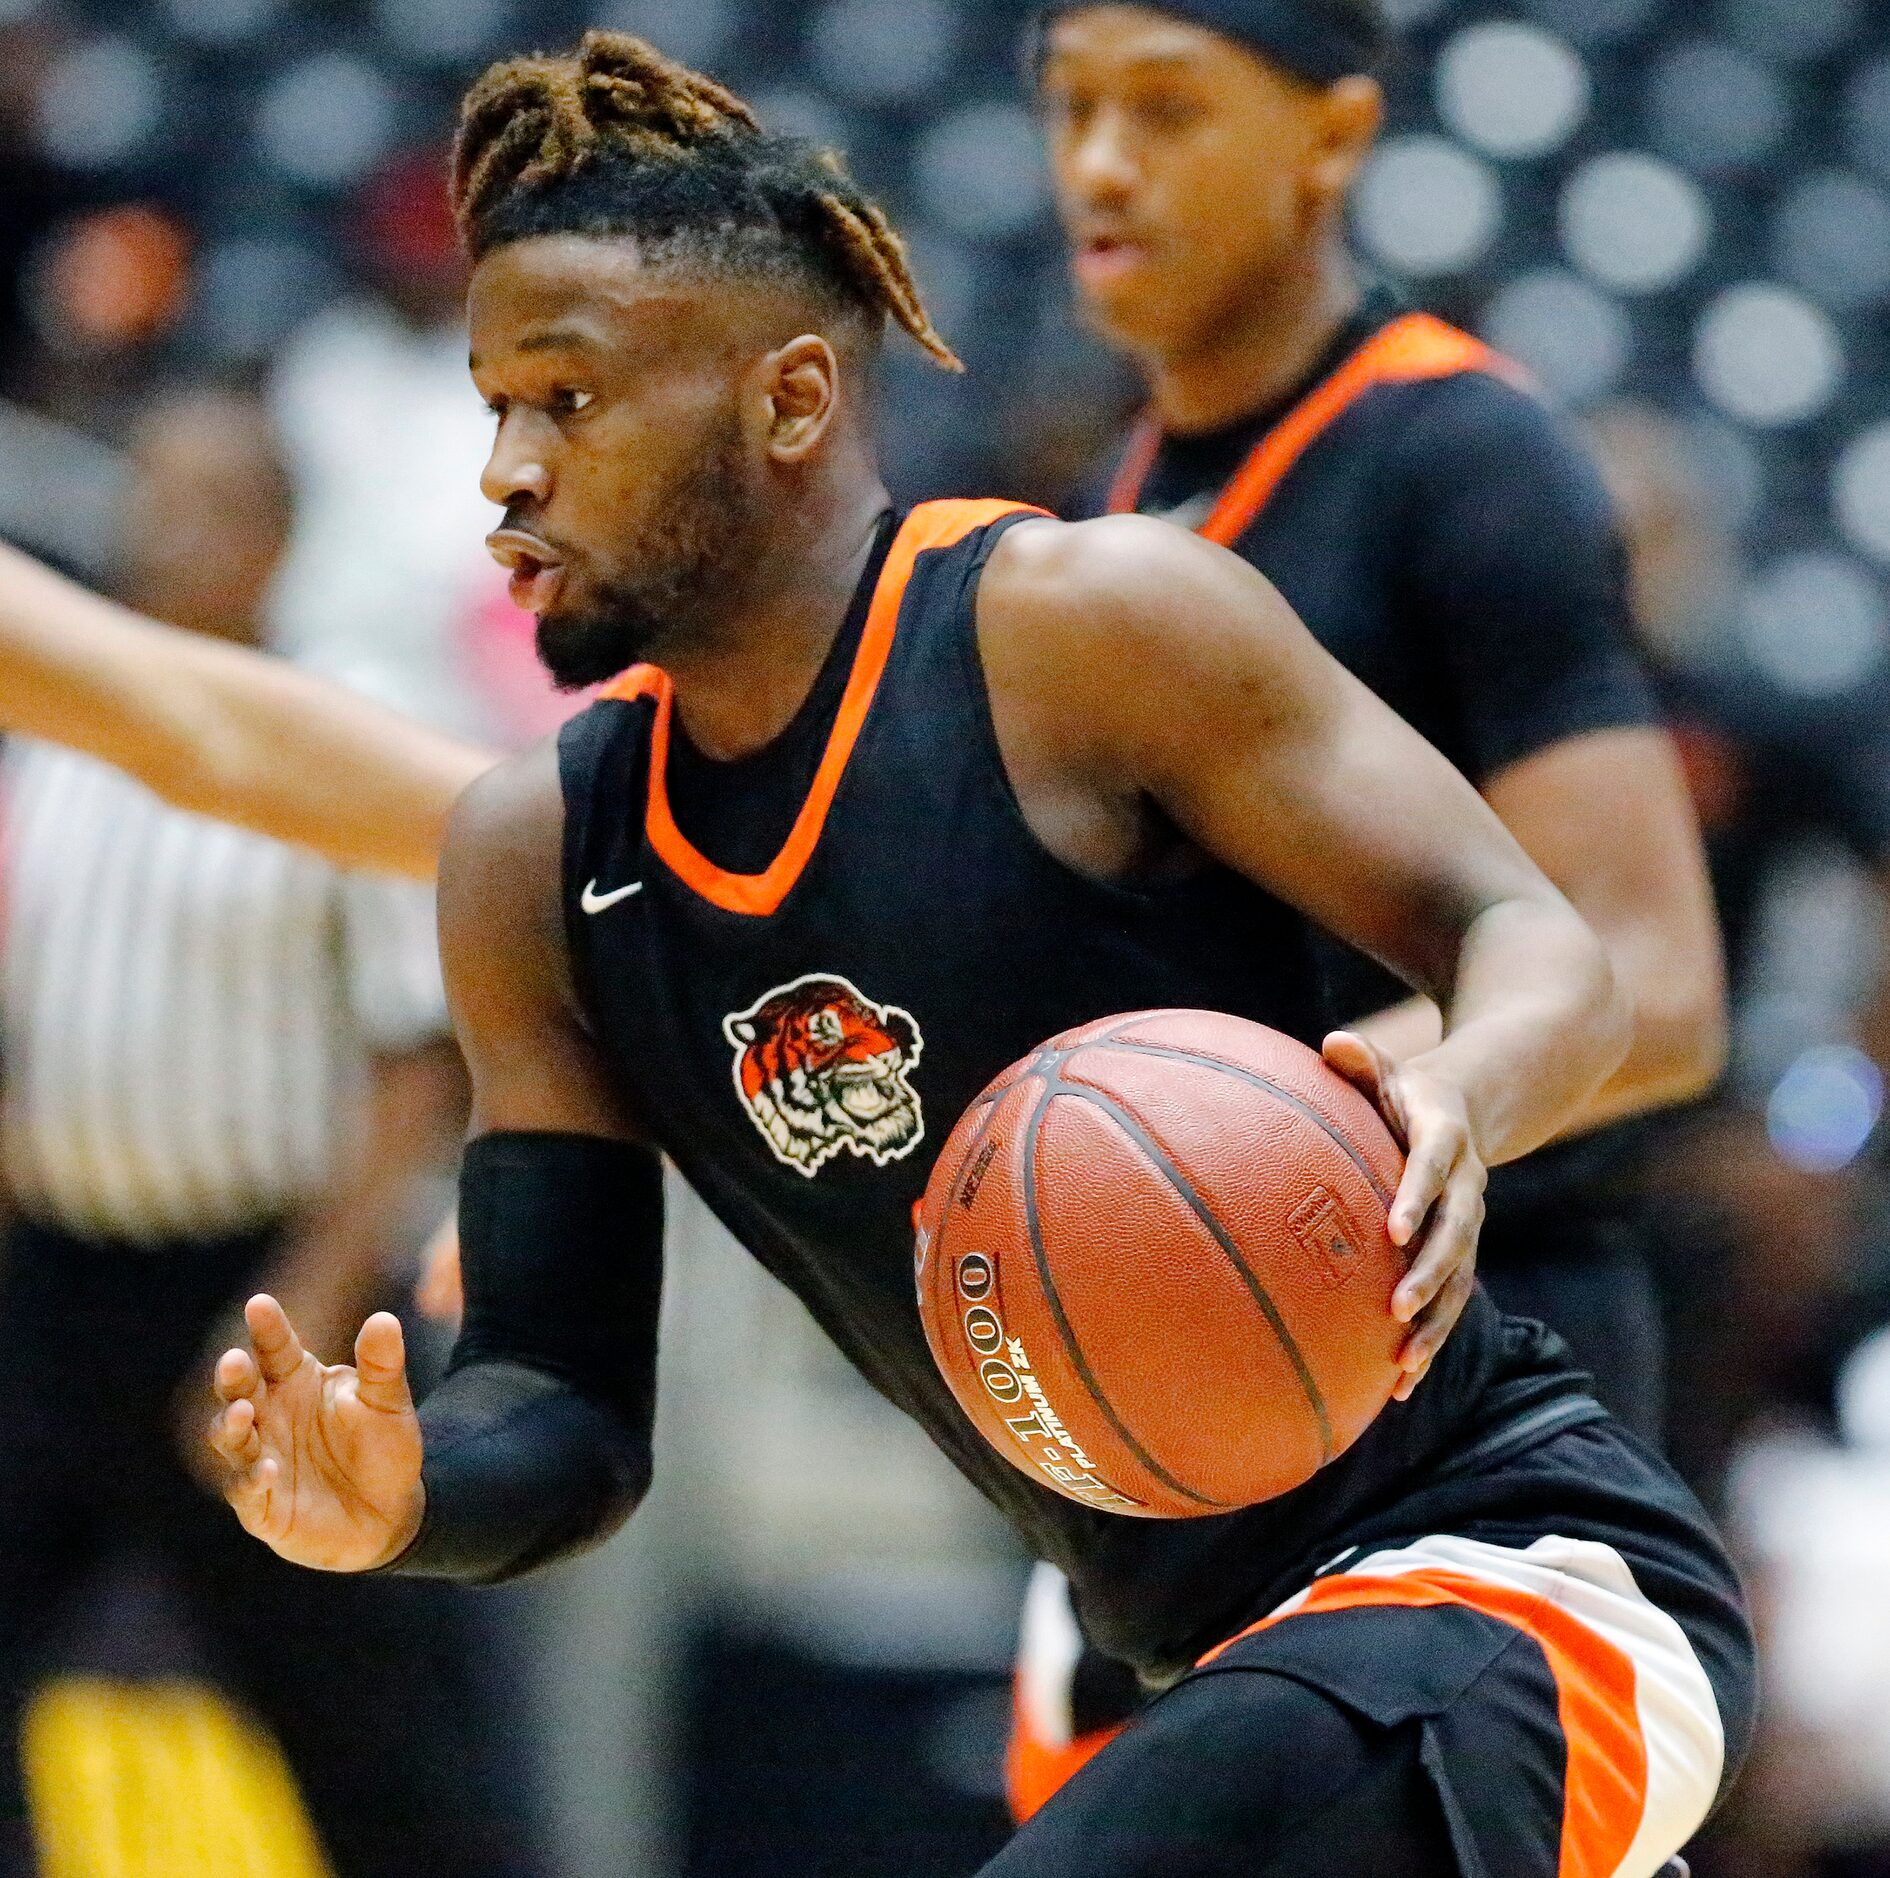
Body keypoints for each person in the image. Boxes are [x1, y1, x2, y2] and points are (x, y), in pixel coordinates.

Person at [199, 33, 1751, 1878]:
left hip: (1513, 1574)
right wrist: (405, 1499)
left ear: (786, 402)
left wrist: (1450, 1087)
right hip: (1156, 1629)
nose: (509, 473)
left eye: (570, 400)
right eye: (493, 406)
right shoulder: (530, 854)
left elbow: (1548, 947)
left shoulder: (1084, 626)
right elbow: (565, 1410)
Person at [1003, 1, 1730, 1809]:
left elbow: (1656, 976)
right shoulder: (1114, 501)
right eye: (1071, 106)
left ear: (1330, 137)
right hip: (1183, 1384)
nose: (1099, 161)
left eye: (1165, 109)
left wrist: (1271, 1122)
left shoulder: (1459, 454)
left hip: (1475, 1360)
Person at [0, 388, 541, 1878]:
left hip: (263, 1290)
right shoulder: (59, 745)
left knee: (366, 1720)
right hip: (55, 1277)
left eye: (204, 499)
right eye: (148, 492)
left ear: (278, 534)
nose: (159, 525)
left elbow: (417, 1059)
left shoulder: (331, 725)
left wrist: (314, 1291)